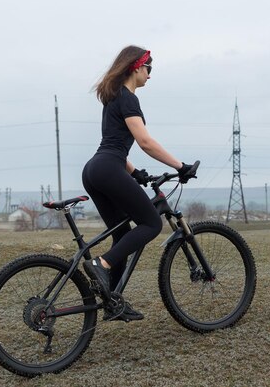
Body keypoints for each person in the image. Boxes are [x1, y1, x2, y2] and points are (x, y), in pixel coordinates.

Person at [82, 45, 194, 321]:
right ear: (136, 67)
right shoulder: (128, 98)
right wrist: (180, 166)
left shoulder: (113, 98)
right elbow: (144, 141)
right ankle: (101, 263)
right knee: (152, 223)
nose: (150, 75)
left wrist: (136, 174)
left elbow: (115, 146)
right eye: (149, 68)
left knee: (122, 235)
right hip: (108, 168)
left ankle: (112, 300)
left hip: (96, 169)